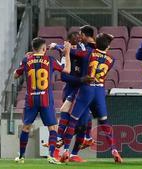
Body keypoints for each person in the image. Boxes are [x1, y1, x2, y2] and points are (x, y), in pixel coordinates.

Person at [61, 33, 123, 163]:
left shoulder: (88, 53)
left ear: (95, 43)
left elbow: (70, 51)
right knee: (104, 122)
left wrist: (60, 47)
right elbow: (104, 49)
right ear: (108, 46)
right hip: (99, 91)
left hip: (86, 88)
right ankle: (114, 151)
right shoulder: (111, 59)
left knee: (73, 121)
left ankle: (66, 151)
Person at [13, 37, 71, 164]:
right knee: (53, 128)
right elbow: (67, 70)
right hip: (46, 99)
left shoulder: (26, 59)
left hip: (31, 99)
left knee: (26, 127)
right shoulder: (50, 60)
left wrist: (24, 61)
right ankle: (51, 155)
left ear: (33, 48)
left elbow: (15, 75)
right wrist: (66, 54)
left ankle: (21, 156)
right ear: (44, 48)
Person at [48, 31, 95, 162]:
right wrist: (81, 80)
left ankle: (73, 154)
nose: (78, 39)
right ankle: (57, 150)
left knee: (83, 125)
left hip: (83, 91)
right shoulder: (65, 57)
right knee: (66, 120)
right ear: (68, 42)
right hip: (70, 91)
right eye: (74, 38)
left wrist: (58, 46)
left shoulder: (82, 52)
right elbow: (64, 77)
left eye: (79, 37)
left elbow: (86, 52)